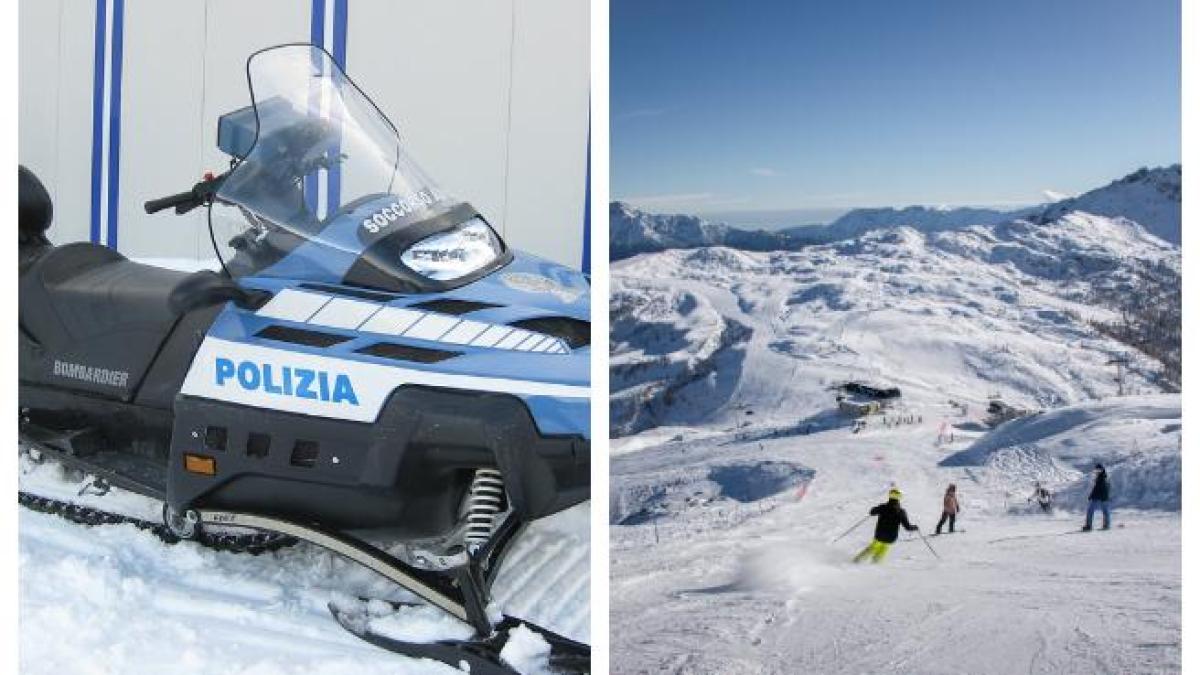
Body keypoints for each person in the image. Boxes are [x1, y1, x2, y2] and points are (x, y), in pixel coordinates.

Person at [854, 488, 918, 563]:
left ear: (890, 496)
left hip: (879, 535)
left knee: (872, 548)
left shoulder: (883, 507)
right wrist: (915, 527)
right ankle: (874, 567)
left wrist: (877, 508)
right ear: (899, 497)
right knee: (882, 552)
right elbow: (907, 527)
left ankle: (856, 562)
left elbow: (872, 512)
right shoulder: (901, 512)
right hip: (891, 538)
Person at [1082, 464, 1111, 531]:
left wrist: (1091, 496)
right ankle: (1106, 525)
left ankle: (1089, 526)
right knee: (1105, 511)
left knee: (1090, 510)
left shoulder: (1101, 478)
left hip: (1099, 496)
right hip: (1104, 497)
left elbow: (1097, 488)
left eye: (1098, 470)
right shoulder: (1104, 477)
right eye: (1096, 470)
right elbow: (1107, 487)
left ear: (1101, 470)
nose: (1097, 471)